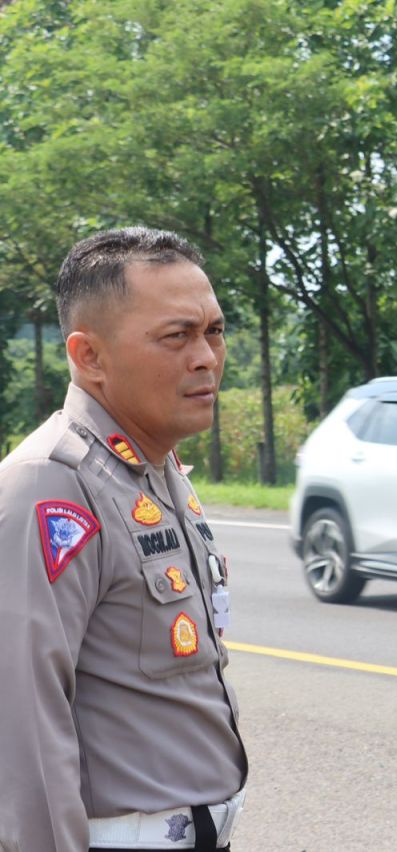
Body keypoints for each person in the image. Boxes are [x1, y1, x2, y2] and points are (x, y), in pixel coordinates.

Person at [0, 228, 247, 851]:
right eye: (176, 336)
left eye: (213, 331)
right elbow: (22, 722)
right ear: (89, 356)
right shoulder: (51, 484)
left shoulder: (154, 469)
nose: (206, 358)